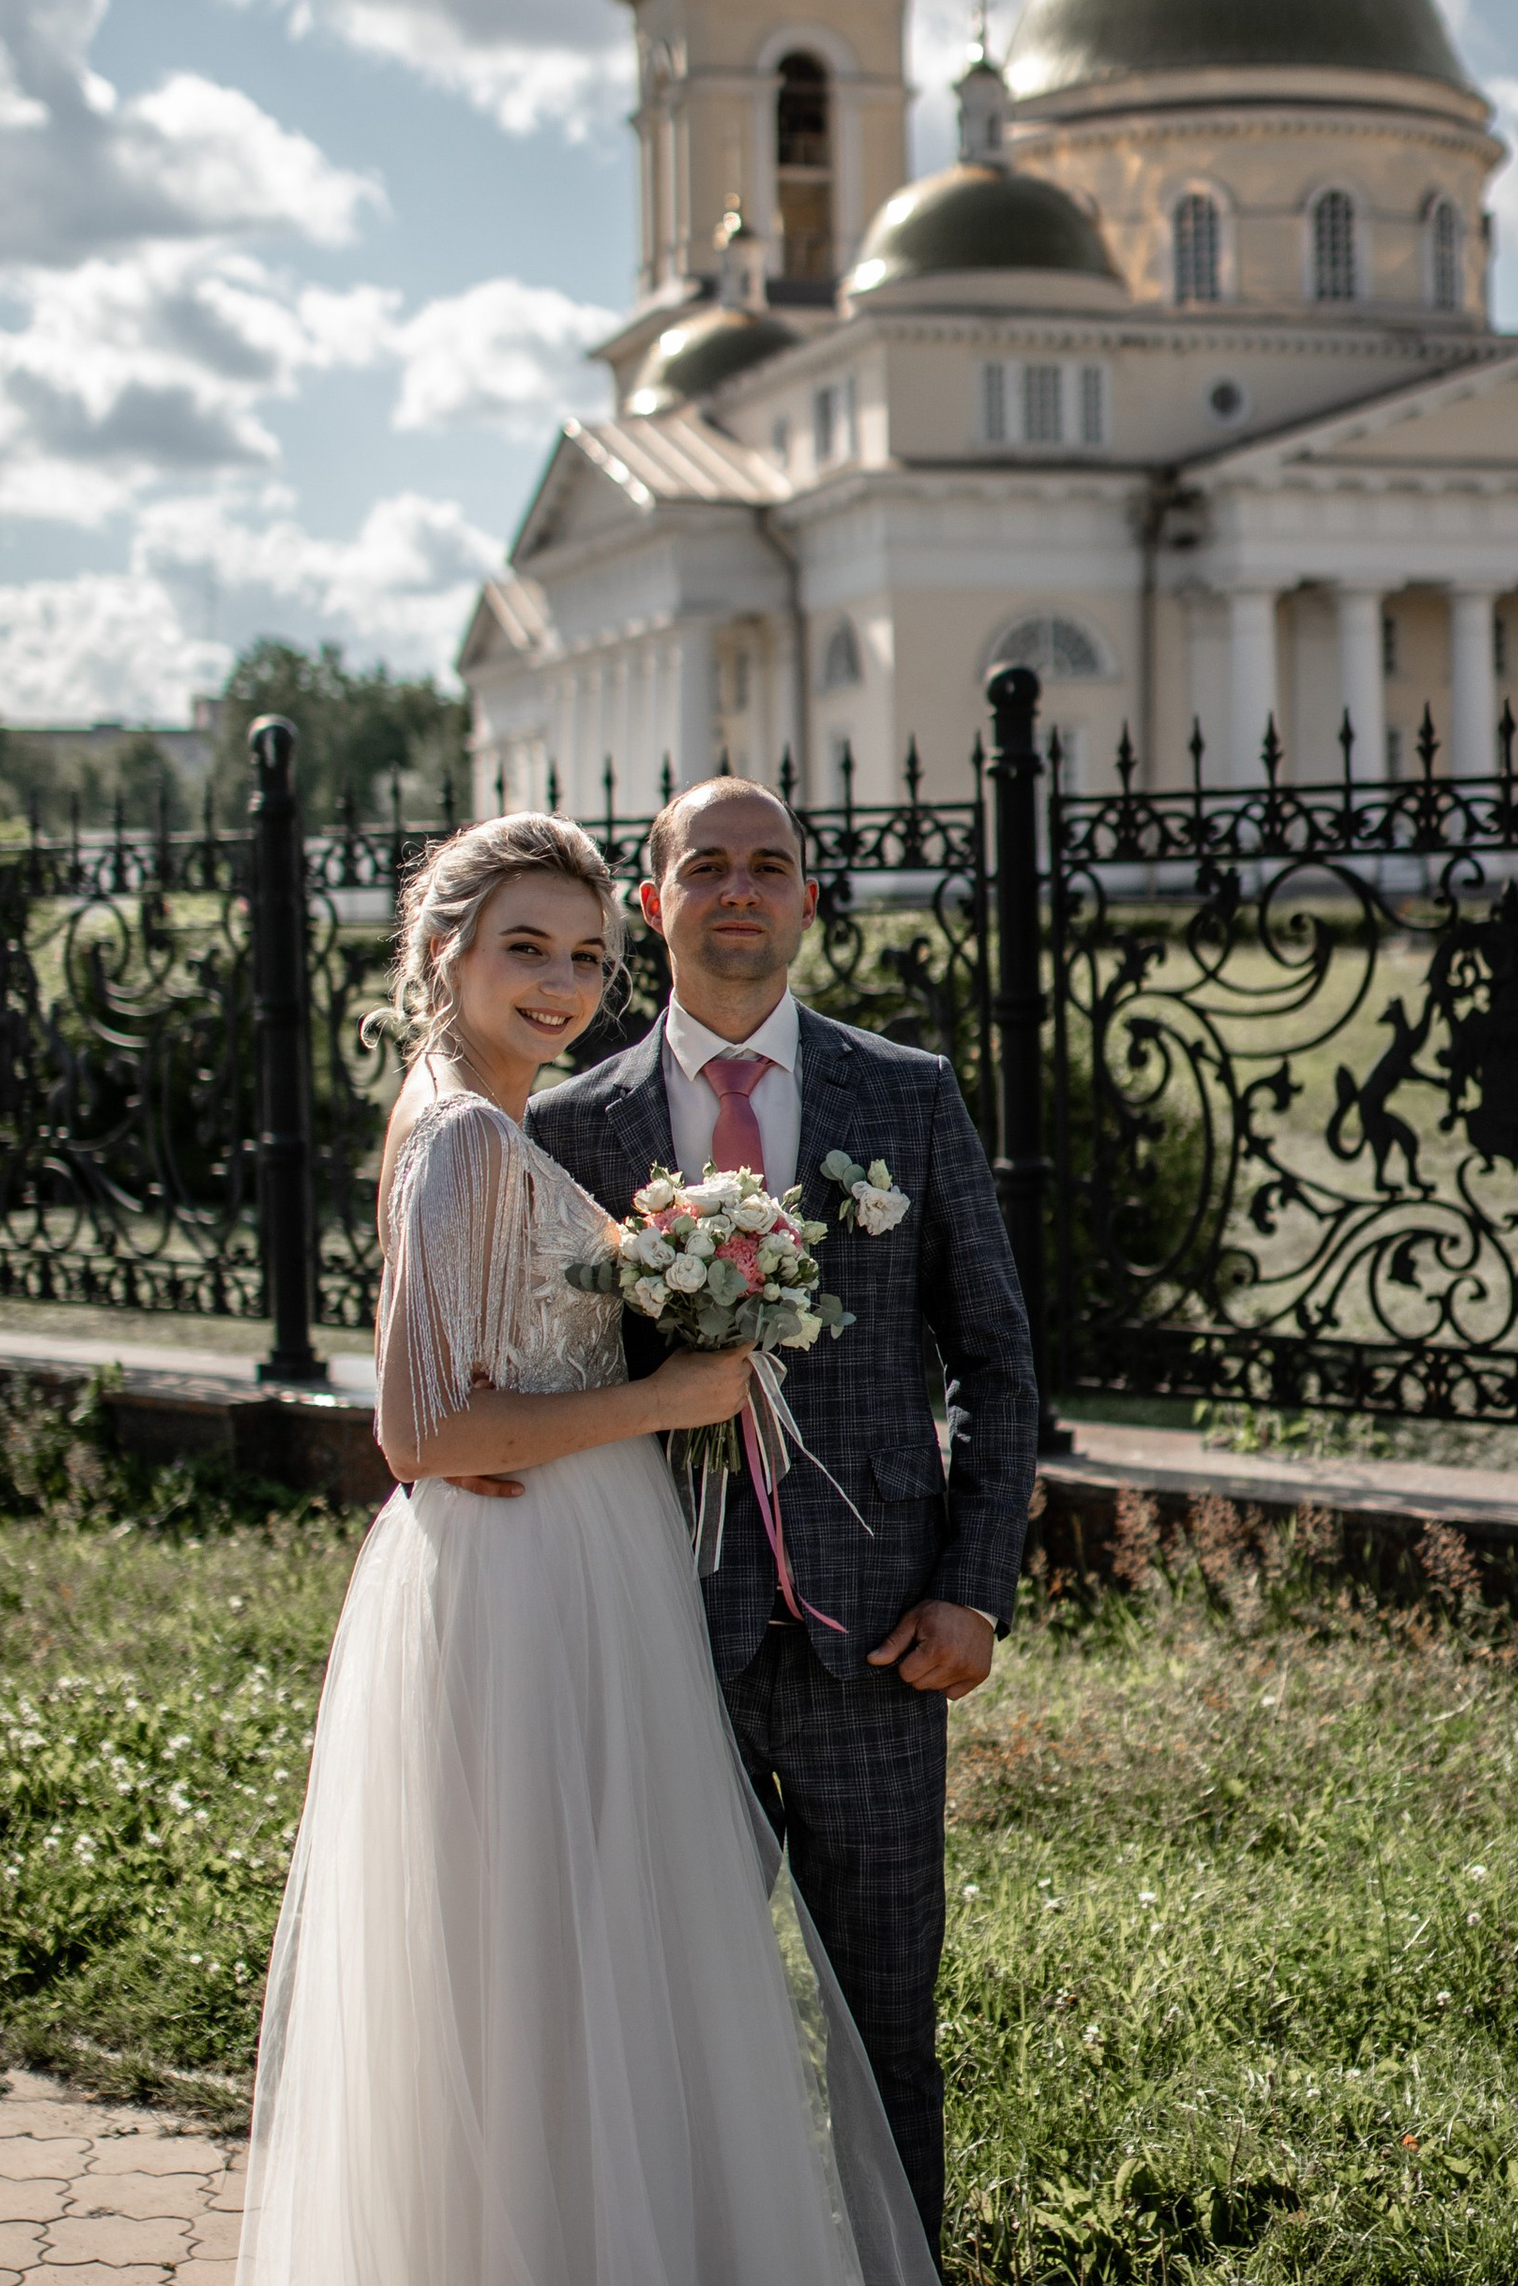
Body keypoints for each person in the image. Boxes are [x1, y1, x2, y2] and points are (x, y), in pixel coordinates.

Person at [237, 812, 937, 2286]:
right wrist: (667, 1401)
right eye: (525, 951)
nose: (560, 985)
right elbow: (421, 1430)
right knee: (555, 1946)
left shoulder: (478, 1111)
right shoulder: (469, 1134)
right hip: (533, 1577)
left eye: (583, 957)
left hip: (560, 1555)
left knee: (548, 1957)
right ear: (445, 954)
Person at [531, 778, 1039, 2258]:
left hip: (878, 1642)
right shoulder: (570, 1124)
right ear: (653, 906)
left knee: (888, 2028)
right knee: (666, 2021)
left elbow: (996, 1359)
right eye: (706, 867)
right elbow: (541, 1377)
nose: (739, 890)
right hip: (656, 1638)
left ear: (810, 901)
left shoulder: (906, 1094)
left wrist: (974, 1589)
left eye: (769, 866)